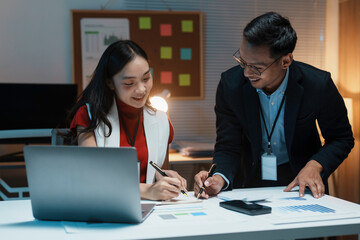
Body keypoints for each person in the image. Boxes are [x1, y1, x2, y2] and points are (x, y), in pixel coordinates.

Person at [194, 12, 354, 199]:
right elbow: (228, 145)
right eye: (243, 62)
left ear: (285, 61)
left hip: (301, 183)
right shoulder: (231, 85)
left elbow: (341, 138)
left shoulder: (317, 84)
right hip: (248, 181)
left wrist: (315, 165)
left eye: (257, 68)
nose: (246, 73)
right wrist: (219, 178)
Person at [67, 40, 187, 201]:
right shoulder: (88, 116)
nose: (141, 90)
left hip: (150, 210)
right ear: (110, 83)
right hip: (105, 207)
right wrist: (147, 190)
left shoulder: (161, 119)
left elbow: (157, 169)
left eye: (146, 78)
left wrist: (166, 178)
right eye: (129, 83)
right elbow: (92, 177)